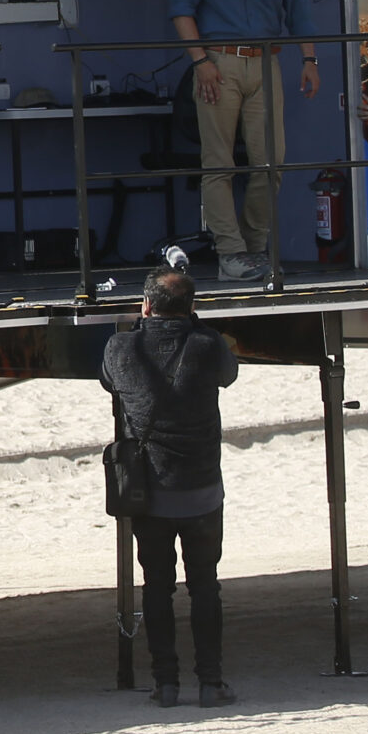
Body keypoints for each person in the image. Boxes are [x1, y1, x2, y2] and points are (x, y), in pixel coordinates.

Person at [168, 0, 322, 281]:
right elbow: (180, 9)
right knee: (218, 163)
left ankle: (255, 249)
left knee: (271, 161)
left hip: (267, 62)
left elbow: (299, 10)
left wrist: (309, 60)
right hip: (217, 62)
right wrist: (200, 63)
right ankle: (231, 254)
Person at [102, 266, 241, 709]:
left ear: (145, 306)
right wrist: (194, 323)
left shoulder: (122, 347)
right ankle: (211, 682)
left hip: (149, 492)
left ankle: (165, 684)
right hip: (201, 489)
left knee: (157, 587)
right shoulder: (206, 345)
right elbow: (229, 374)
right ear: (192, 308)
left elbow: (108, 380)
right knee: (205, 585)